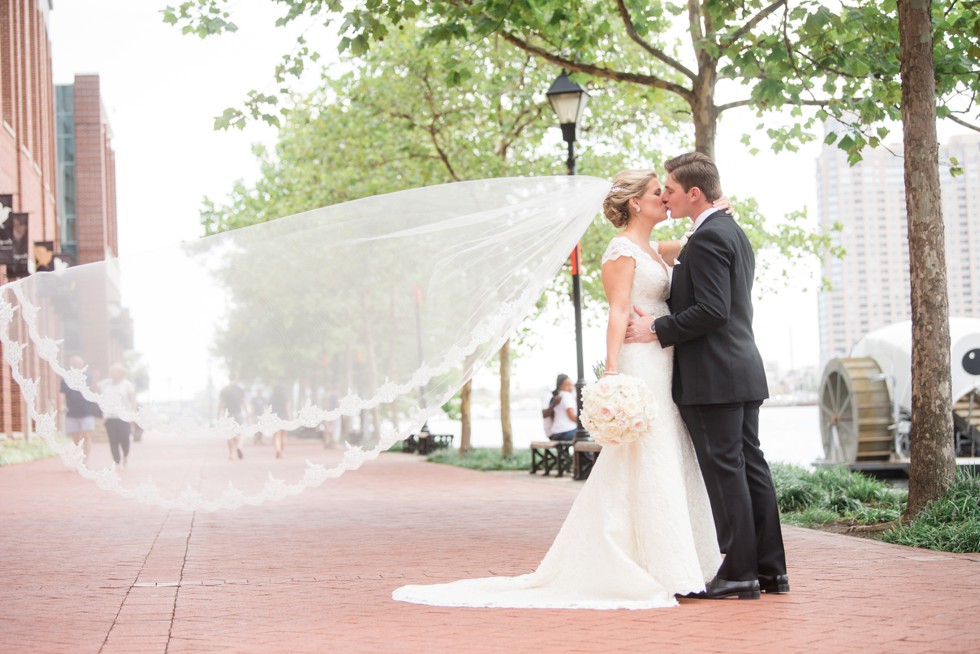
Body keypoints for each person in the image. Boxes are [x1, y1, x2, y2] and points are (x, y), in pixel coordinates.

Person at [393, 169, 734, 609]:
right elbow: (615, 313)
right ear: (636, 203)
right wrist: (611, 375)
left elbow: (694, 244)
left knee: (666, 453)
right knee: (644, 454)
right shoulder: (620, 252)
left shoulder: (652, 249)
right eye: (656, 193)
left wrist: (717, 211)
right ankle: (645, 564)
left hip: (665, 361)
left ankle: (679, 562)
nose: (664, 199)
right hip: (639, 363)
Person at [625, 152, 788, 600]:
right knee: (750, 468)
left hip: (715, 377)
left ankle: (738, 573)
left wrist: (656, 328)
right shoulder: (727, 231)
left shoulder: (712, 236)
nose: (666, 197)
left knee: (727, 473)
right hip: (739, 371)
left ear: (693, 193)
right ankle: (769, 571)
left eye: (671, 190)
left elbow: (713, 310)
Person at [59, 355, 100, 464]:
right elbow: (62, 394)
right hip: (72, 412)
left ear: (82, 365)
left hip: (87, 411)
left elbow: (94, 391)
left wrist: (95, 380)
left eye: (79, 364)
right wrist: (61, 405)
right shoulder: (66, 378)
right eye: (75, 364)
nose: (77, 366)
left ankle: (85, 460)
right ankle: (77, 458)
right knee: (75, 439)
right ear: (71, 365)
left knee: (86, 435)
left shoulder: (89, 377)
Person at [98, 364, 137, 471]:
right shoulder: (106, 384)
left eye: (113, 372)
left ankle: (125, 456)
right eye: (111, 372)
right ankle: (116, 461)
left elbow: (132, 400)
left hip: (124, 416)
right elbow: (96, 390)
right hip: (110, 416)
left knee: (124, 438)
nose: (111, 374)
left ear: (120, 373)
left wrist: (133, 413)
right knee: (113, 440)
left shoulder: (127, 385)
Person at [218, 373, 248, 460]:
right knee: (241, 433)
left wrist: (219, 414)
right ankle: (239, 446)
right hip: (238, 413)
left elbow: (221, 403)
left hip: (228, 414)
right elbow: (243, 403)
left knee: (229, 434)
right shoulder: (240, 389)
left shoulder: (224, 390)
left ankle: (231, 454)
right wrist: (247, 413)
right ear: (236, 378)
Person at [541, 374, 577, 441]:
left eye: (572, 385)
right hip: (566, 432)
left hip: (555, 432)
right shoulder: (566, 395)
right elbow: (572, 416)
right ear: (560, 386)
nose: (571, 388)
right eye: (568, 385)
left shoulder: (559, 395)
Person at [269, 383, 291, 459]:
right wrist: (289, 416)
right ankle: (282, 452)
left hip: (274, 416)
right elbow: (287, 407)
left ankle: (277, 449)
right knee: (283, 436)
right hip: (283, 416)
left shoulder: (272, 397)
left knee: (276, 436)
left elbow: (269, 407)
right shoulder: (285, 396)